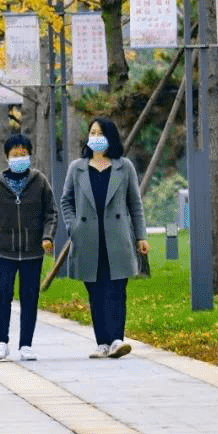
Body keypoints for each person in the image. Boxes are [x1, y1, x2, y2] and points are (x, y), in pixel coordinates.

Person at [60, 117, 149, 359]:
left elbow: (135, 204)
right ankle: (102, 342)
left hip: (117, 239)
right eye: (92, 132)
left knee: (117, 289)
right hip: (88, 239)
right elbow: (66, 201)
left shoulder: (124, 166)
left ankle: (117, 340)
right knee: (96, 291)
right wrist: (73, 226)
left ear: (110, 137)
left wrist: (141, 236)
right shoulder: (77, 167)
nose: (95, 137)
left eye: (100, 133)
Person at [0, 133, 57, 361]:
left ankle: (26, 344)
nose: (19, 158)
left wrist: (48, 237)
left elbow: (51, 212)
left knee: (29, 297)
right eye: (15, 154)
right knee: (2, 296)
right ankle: (1, 342)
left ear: (30, 156)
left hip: (33, 251)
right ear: (7, 157)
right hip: (4, 250)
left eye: (23, 154)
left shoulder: (39, 181)